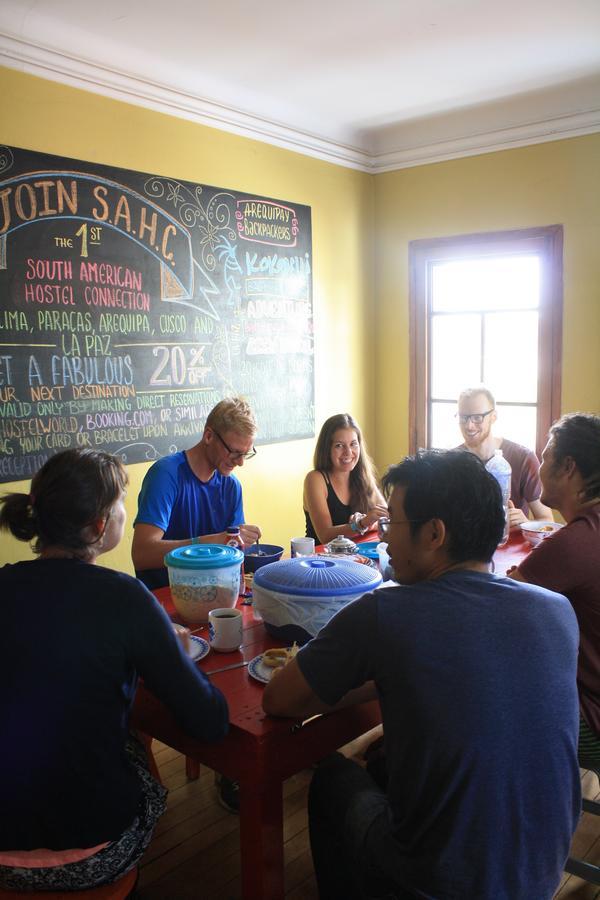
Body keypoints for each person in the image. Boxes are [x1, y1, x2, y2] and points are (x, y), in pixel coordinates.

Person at [264, 449, 581, 900]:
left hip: (437, 884)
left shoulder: (387, 613)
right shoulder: (556, 611)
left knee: (333, 778)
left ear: (434, 533)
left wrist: (373, 680)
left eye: (392, 522)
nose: (386, 537)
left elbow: (279, 700)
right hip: (542, 873)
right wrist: (394, 679)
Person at [0, 449, 228, 893]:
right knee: (133, 757)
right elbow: (211, 722)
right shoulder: (125, 599)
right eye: (122, 502)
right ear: (102, 525)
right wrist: (177, 654)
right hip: (91, 853)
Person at [509, 413, 600, 764]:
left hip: (590, 723)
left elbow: (492, 606)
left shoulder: (575, 543)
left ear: (568, 467)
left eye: (546, 456)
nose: (539, 464)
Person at [132, 396, 261, 590]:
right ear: (208, 436)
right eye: (234, 452)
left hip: (215, 594)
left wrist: (246, 545)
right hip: (165, 599)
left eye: (245, 454)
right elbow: (142, 554)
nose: (240, 462)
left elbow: (233, 551)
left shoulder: (231, 486)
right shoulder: (166, 475)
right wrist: (211, 543)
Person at [456, 385, 552, 527]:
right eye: (463, 417)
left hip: (511, 546)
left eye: (477, 418)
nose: (469, 426)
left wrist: (526, 523)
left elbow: (547, 521)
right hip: (466, 547)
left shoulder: (523, 458)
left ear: (493, 417)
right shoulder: (451, 461)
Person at [303, 413, 387, 545]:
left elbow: (387, 518)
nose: (348, 452)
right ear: (327, 449)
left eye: (353, 444)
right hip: (321, 560)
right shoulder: (315, 479)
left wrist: (367, 523)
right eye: (339, 445)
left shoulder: (363, 476)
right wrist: (361, 524)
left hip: (358, 556)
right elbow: (325, 535)